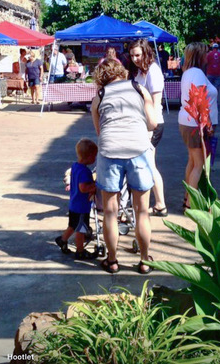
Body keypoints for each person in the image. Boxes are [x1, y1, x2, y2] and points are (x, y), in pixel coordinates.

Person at [91, 58, 157, 275]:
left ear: (101, 78)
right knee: (142, 211)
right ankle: (145, 260)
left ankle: (112, 261)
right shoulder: (140, 90)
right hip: (138, 150)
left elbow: (100, 131)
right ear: (122, 72)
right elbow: (153, 123)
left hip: (110, 151)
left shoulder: (99, 97)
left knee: (110, 211)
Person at [128, 39, 167, 216]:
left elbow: (156, 103)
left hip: (153, 124)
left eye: (138, 55)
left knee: (150, 165)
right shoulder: (141, 72)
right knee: (149, 164)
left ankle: (160, 205)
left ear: (146, 53)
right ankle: (158, 204)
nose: (135, 59)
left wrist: (150, 130)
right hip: (143, 124)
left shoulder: (153, 71)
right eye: (132, 55)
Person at [179, 42, 219, 210]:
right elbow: (200, 99)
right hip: (196, 124)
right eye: (205, 53)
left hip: (189, 122)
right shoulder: (197, 73)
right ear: (199, 55)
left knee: (192, 161)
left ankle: (187, 196)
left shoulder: (189, 72)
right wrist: (207, 123)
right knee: (199, 165)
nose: (208, 56)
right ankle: (191, 203)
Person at [55, 138, 98, 260]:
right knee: (81, 229)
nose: (95, 159)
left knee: (72, 225)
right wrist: (95, 185)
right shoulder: (85, 172)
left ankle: (63, 239)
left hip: (74, 204)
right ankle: (80, 251)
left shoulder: (75, 166)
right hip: (81, 207)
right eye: (94, 156)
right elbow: (83, 188)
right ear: (89, 157)